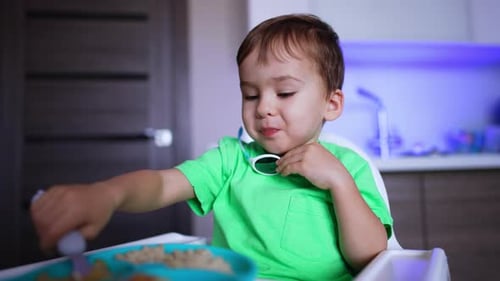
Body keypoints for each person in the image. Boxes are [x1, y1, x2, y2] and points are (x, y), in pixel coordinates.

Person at [31, 13, 393, 281]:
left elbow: (372, 259)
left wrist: (340, 184)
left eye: (284, 92)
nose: (264, 106)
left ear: (331, 103)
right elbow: (162, 184)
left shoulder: (348, 168)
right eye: (250, 94)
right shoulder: (231, 159)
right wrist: (107, 195)